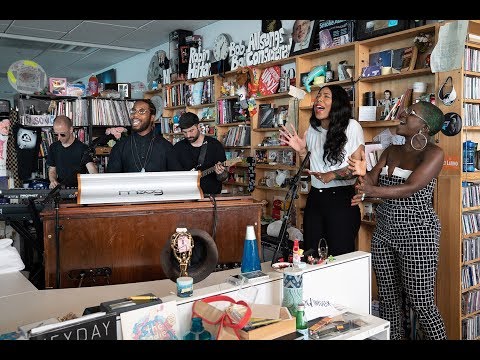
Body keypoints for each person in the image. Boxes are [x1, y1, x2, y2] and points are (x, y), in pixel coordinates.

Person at [347, 101, 447, 340]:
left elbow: (410, 188)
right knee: (388, 301)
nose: (401, 114)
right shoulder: (392, 149)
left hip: (418, 233)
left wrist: (370, 191)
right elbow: (367, 184)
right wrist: (360, 175)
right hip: (384, 232)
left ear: (424, 127)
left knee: (421, 302)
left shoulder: (434, 153)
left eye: (409, 113)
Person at [279, 85, 364, 257]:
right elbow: (311, 167)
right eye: (318, 96)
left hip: (341, 200)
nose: (319, 99)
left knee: (340, 257)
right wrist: (301, 151)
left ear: (338, 103)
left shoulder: (352, 127)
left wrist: (331, 175)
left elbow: (358, 167)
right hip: (315, 198)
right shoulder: (312, 130)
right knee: (312, 255)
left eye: (326, 96)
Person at [106, 99, 176, 173]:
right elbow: (112, 179)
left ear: (152, 117)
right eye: (133, 111)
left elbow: (176, 179)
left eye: (141, 111)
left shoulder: (166, 147)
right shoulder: (120, 147)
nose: (135, 115)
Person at [169, 112, 228, 195]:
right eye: (184, 132)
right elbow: (174, 176)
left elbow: (223, 177)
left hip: (211, 197)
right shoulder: (178, 148)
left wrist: (221, 173)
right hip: (186, 196)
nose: (188, 135)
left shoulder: (215, 145)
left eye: (191, 130)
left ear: (199, 127)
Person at [47, 115, 97, 189]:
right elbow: (52, 170)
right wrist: (53, 180)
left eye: (62, 134)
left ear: (71, 130)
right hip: (61, 189)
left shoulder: (83, 148)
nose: (59, 138)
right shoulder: (53, 147)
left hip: (79, 189)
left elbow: (92, 169)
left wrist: (95, 182)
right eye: (56, 134)